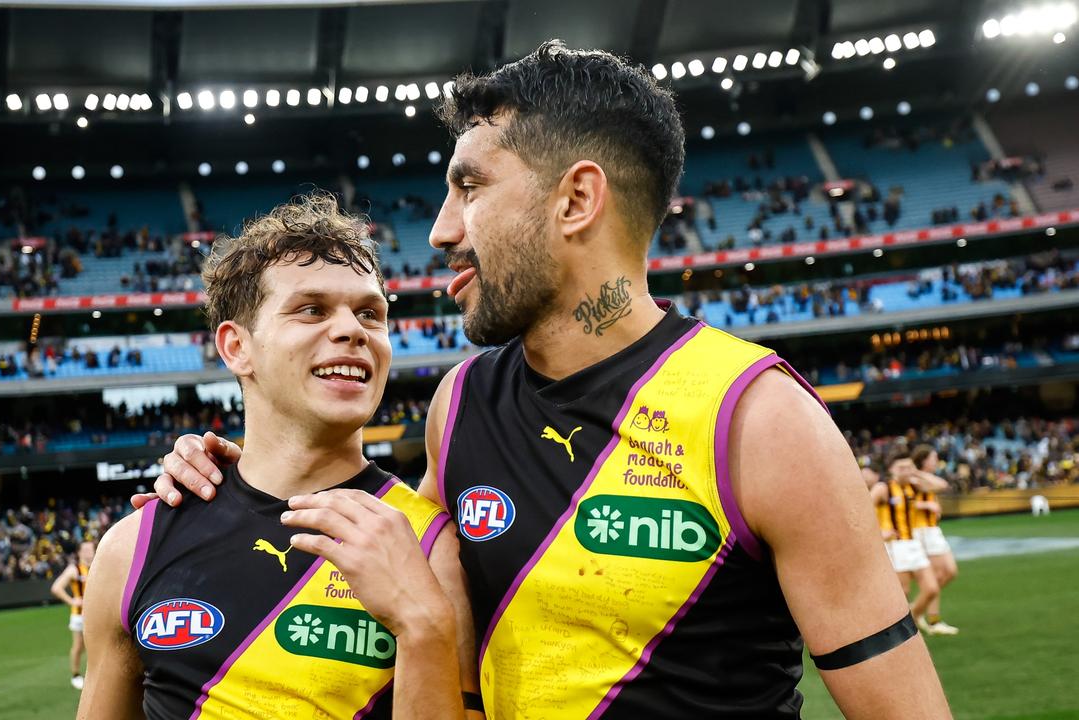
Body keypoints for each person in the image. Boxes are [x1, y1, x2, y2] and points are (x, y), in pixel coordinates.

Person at [144, 41, 950, 717]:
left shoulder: (759, 419)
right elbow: (380, 565)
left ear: (575, 200)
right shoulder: (458, 407)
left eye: (470, 186)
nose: (440, 230)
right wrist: (216, 476)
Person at [78, 194, 480, 720]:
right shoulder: (133, 547)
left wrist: (422, 624)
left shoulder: (431, 547)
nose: (352, 330)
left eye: (370, 314)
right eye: (311, 309)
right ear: (236, 348)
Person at [881, 452, 943, 629]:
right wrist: (880, 532)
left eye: (909, 467)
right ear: (891, 469)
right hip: (896, 545)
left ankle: (913, 619)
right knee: (904, 592)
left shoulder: (913, 486)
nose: (906, 471)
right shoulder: (884, 488)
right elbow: (863, 511)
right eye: (901, 468)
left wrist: (916, 473)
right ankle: (898, 629)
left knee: (931, 589)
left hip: (913, 543)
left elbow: (940, 485)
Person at [910, 445, 959, 635]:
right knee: (940, 573)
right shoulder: (914, 479)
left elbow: (939, 484)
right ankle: (932, 619)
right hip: (921, 531)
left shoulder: (920, 476)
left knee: (949, 572)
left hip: (932, 530)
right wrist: (926, 504)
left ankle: (917, 608)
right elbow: (938, 486)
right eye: (933, 458)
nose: (936, 461)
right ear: (923, 460)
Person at [51, 540, 96, 689]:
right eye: (85, 550)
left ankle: (95, 675)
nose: (89, 553)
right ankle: (76, 674)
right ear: (79, 552)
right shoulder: (74, 569)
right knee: (79, 646)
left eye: (91, 550)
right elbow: (56, 588)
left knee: (97, 645)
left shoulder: (98, 566)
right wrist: (71, 601)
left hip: (97, 614)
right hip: (79, 615)